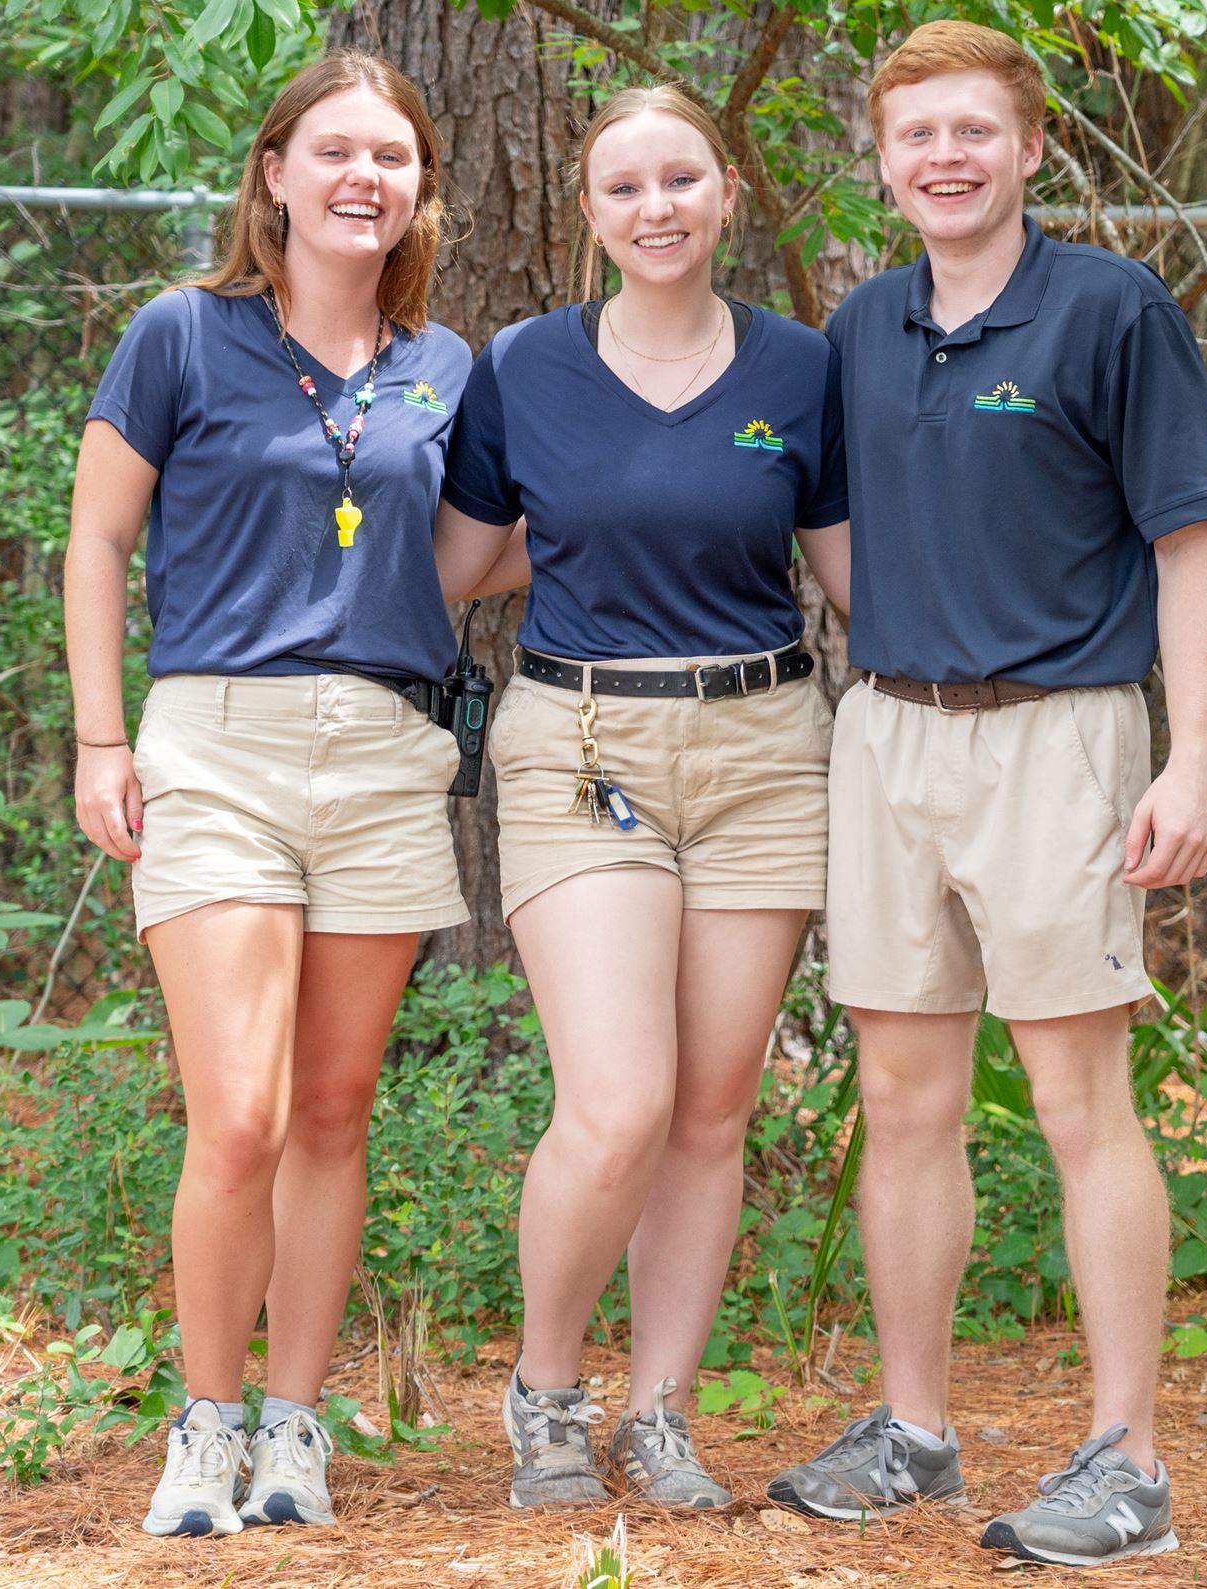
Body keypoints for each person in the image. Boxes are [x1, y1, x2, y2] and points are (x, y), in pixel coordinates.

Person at [763, 20, 1207, 1568]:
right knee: (905, 1104)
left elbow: (1188, 551)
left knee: (1078, 1103)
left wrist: (1190, 756)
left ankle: (1129, 1460)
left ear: (1033, 146)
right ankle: (916, 1429)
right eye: (916, 136)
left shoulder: (1111, 310)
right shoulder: (860, 326)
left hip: (1061, 740)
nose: (946, 159)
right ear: (883, 158)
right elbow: (828, 525)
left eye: (976, 131)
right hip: (891, 737)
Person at [64, 49, 475, 1540]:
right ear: (276, 174)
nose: (366, 177)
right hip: (216, 745)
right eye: (337, 152)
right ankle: (206, 1424)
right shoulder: (184, 335)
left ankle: (297, 1427)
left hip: (381, 747)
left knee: (333, 1105)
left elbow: (475, 548)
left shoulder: (449, 368)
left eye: (394, 156)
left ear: (420, 189)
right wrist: (102, 741)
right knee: (234, 1114)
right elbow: (100, 542)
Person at [432, 84, 852, 1513]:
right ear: (592, 214)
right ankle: (546, 1392)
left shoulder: (802, 369)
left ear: (726, 192)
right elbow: (466, 558)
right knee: (618, 1099)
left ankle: (658, 1410)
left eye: (682, 178)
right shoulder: (525, 366)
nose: (657, 207)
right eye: (625, 187)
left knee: (713, 1109)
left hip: (766, 745)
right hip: (584, 739)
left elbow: (855, 577)